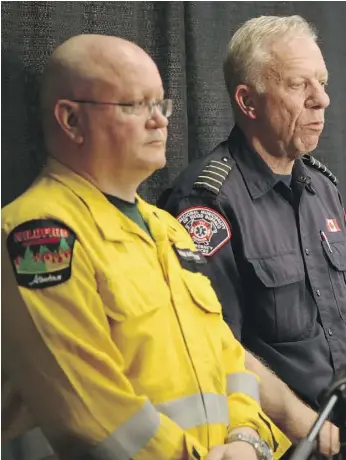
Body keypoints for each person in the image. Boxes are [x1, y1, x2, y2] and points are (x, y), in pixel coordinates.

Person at [1, 34, 291, 460]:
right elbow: (90, 412)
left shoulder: (167, 230)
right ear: (71, 120)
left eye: (161, 105)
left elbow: (229, 359)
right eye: (135, 105)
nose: (159, 121)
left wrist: (246, 438)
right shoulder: (38, 235)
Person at [158, 15, 346, 456]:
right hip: (270, 444)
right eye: (300, 86)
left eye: (323, 82)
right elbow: (220, 353)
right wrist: (322, 437)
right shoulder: (205, 203)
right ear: (248, 101)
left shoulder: (323, 189)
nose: (323, 100)